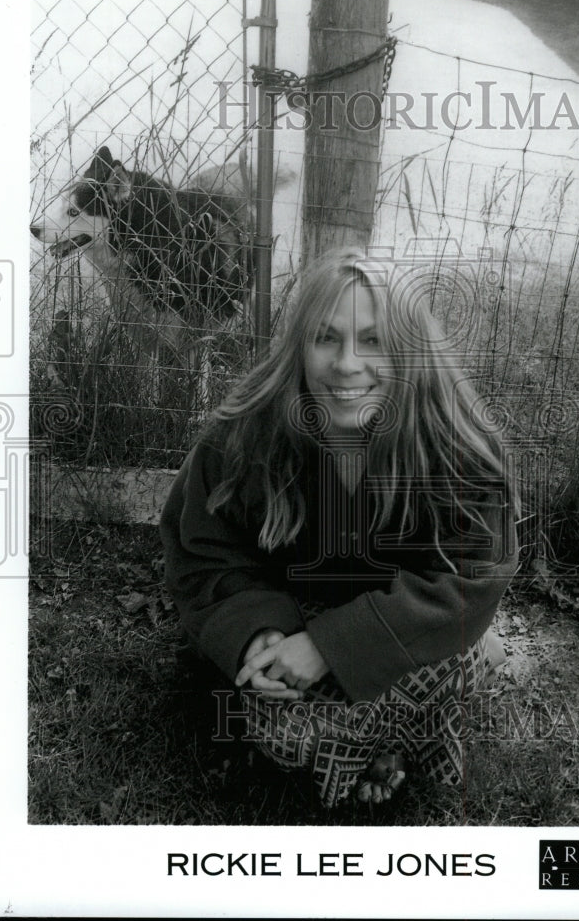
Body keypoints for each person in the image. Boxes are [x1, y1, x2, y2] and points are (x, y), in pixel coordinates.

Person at [160, 249, 519, 808]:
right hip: (292, 614)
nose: (347, 364)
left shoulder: (458, 440)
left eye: (373, 340)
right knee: (280, 734)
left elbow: (471, 579)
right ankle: (401, 725)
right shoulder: (244, 433)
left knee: (466, 646)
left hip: (390, 624)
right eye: (326, 337)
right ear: (298, 346)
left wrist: (332, 646)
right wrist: (257, 634)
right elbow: (205, 553)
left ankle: (384, 728)